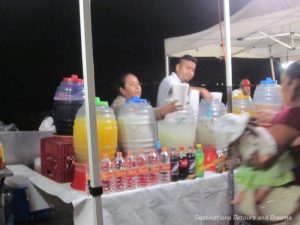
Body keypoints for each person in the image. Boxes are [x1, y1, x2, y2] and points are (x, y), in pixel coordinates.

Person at [111, 73, 179, 120]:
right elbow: (134, 112)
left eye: (138, 84)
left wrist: (163, 111)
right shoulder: (118, 104)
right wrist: (161, 111)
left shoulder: (137, 103)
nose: (137, 87)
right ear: (123, 90)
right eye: (132, 84)